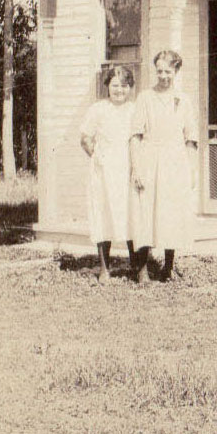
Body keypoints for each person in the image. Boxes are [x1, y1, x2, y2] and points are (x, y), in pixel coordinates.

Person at [129, 50, 199, 283]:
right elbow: (135, 135)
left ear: (176, 71)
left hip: (175, 160)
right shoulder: (145, 97)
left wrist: (191, 169)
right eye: (159, 71)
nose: (163, 76)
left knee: (171, 213)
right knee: (145, 212)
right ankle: (142, 270)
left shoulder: (184, 100)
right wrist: (137, 167)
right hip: (150, 157)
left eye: (168, 71)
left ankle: (168, 267)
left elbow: (190, 138)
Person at [79, 65, 136, 283]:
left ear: (130, 87)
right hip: (104, 171)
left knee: (130, 215)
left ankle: (136, 266)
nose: (119, 90)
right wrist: (97, 156)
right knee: (103, 215)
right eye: (115, 85)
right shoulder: (98, 109)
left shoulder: (134, 109)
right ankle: (104, 268)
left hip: (128, 168)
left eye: (124, 85)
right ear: (107, 87)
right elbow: (84, 138)